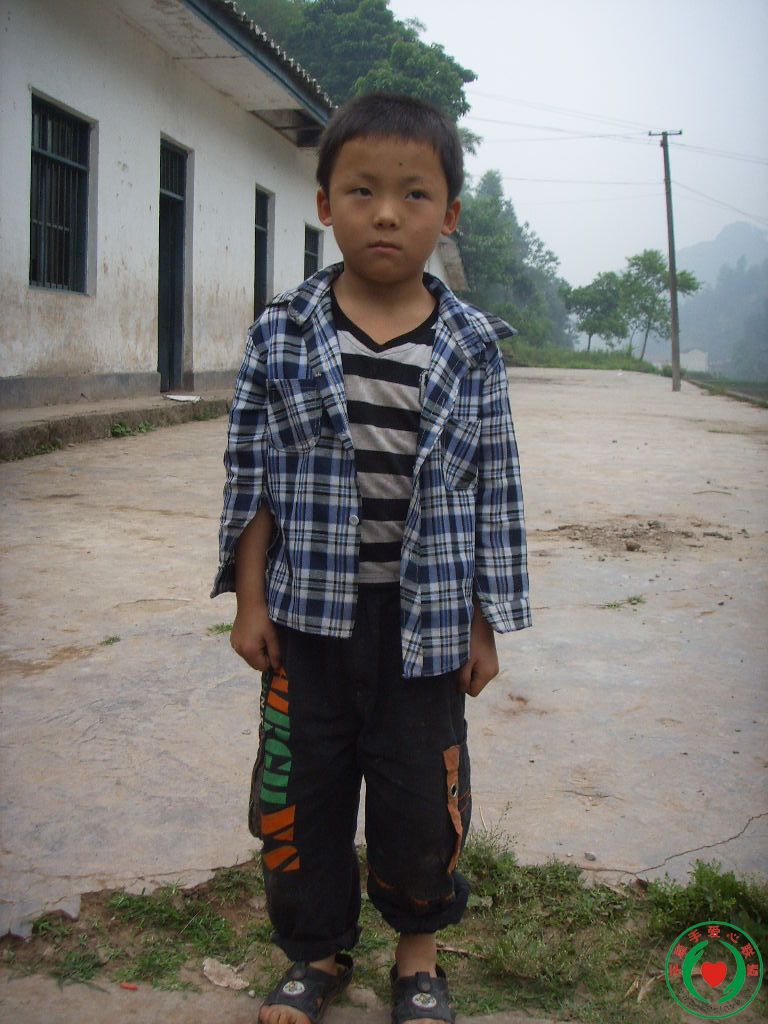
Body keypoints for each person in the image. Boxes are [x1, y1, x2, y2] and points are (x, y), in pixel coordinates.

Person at [212, 91, 531, 1024]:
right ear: (324, 204)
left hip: (424, 629)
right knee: (300, 797)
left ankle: (418, 958)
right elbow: (251, 475)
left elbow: (496, 489)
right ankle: (316, 955)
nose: (386, 214)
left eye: (413, 194)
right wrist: (249, 601)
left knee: (421, 803)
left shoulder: (470, 347)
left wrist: (483, 625)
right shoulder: (283, 330)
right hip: (307, 622)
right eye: (361, 191)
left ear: (448, 213)